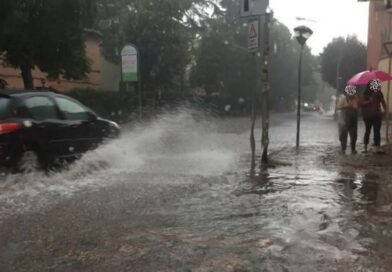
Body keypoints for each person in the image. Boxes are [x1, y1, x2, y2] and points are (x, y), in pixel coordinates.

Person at [361, 79, 387, 153]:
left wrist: (385, 111)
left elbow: (383, 102)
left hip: (377, 115)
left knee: (377, 131)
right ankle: (365, 146)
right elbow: (362, 104)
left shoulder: (379, 93)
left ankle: (377, 147)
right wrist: (369, 101)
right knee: (368, 131)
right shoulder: (366, 93)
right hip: (367, 115)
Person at [337, 85, 359, 154]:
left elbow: (357, 107)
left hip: (353, 119)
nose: (351, 94)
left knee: (354, 135)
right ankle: (343, 149)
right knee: (343, 135)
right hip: (344, 120)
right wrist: (346, 106)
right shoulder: (343, 98)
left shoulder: (356, 98)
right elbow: (338, 107)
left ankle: (353, 149)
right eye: (350, 92)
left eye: (352, 93)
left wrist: (354, 106)